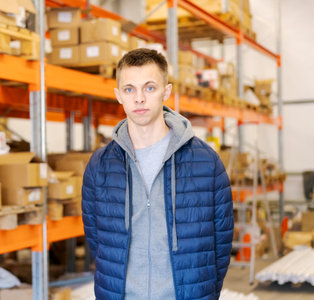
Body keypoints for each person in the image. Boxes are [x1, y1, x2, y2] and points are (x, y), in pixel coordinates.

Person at [82, 48, 234, 300]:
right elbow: (97, 241)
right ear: (118, 95)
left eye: (149, 88)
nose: (139, 98)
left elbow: (220, 245)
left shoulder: (206, 163)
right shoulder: (100, 165)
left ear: (166, 91)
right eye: (130, 89)